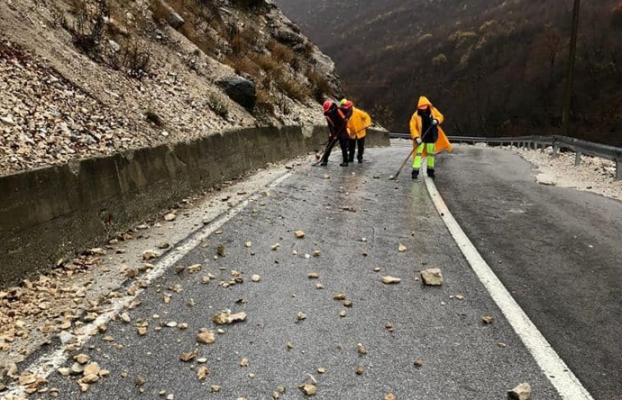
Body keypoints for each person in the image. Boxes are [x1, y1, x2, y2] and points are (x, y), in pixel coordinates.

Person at [409, 96, 452, 179]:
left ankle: (430, 171)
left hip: (431, 137)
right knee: (418, 155)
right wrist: (416, 137)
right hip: (421, 138)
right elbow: (412, 127)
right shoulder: (415, 115)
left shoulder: (433, 111)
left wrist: (436, 120)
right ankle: (415, 172)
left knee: (431, 155)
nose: (423, 110)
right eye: (421, 108)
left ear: (428, 105)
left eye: (424, 107)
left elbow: (441, 116)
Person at [320, 100, 350, 166]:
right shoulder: (328, 115)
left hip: (343, 130)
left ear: (331, 107)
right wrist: (333, 135)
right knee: (329, 145)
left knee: (343, 146)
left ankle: (345, 162)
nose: (328, 112)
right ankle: (325, 161)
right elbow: (330, 126)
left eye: (329, 110)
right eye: (327, 111)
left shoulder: (340, 109)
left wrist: (347, 117)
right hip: (335, 130)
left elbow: (349, 111)